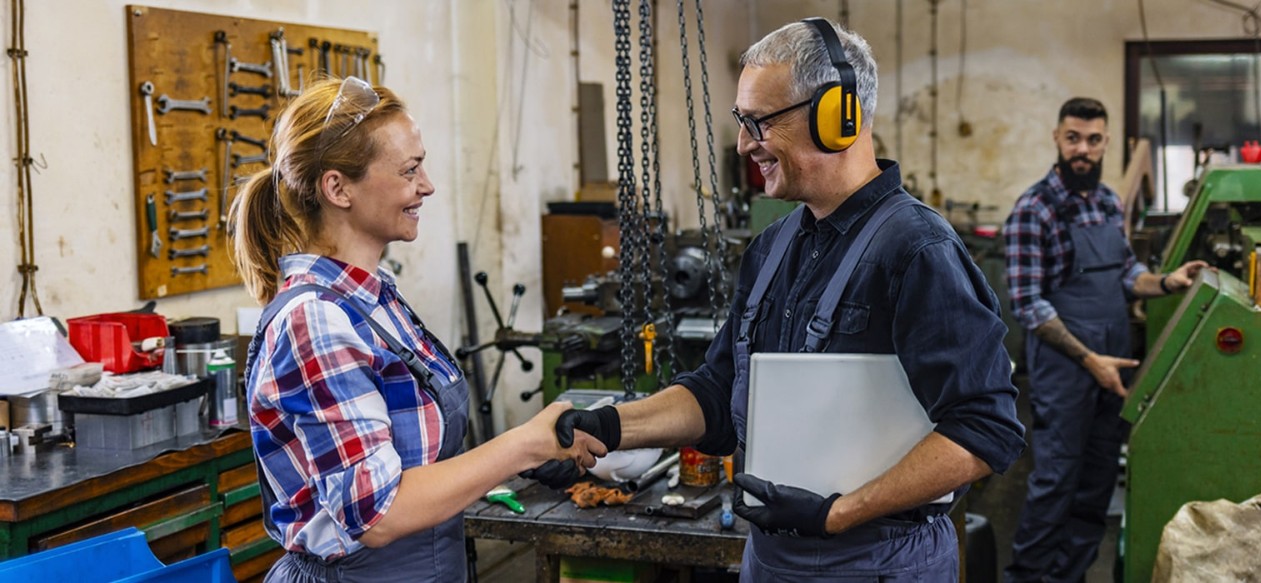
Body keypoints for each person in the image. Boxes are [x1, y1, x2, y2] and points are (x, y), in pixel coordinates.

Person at [526, 19, 1026, 580]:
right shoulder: (774, 245)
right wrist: (607, 425)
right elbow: (718, 394)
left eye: (758, 122)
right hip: (770, 554)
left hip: (877, 560)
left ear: (838, 117)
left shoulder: (917, 251)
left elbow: (984, 430)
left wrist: (838, 514)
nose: (743, 144)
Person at [230, 76, 605, 582]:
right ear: (338, 188)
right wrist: (521, 445)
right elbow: (376, 511)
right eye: (409, 171)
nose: (426, 185)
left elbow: (409, 459)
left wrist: (520, 463)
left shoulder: (376, 298)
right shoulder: (314, 320)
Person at [1002, 97, 1209, 582]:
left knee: (1095, 485)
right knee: (1056, 483)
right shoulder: (1035, 209)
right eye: (1073, 138)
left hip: (1111, 365)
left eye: (1094, 140)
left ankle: (1068, 576)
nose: (1083, 150)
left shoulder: (1109, 202)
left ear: (1106, 143)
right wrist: (1088, 357)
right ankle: (1029, 577)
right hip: (1067, 367)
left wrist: (1166, 281)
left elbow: (1125, 273)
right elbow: (1027, 303)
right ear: (1057, 138)